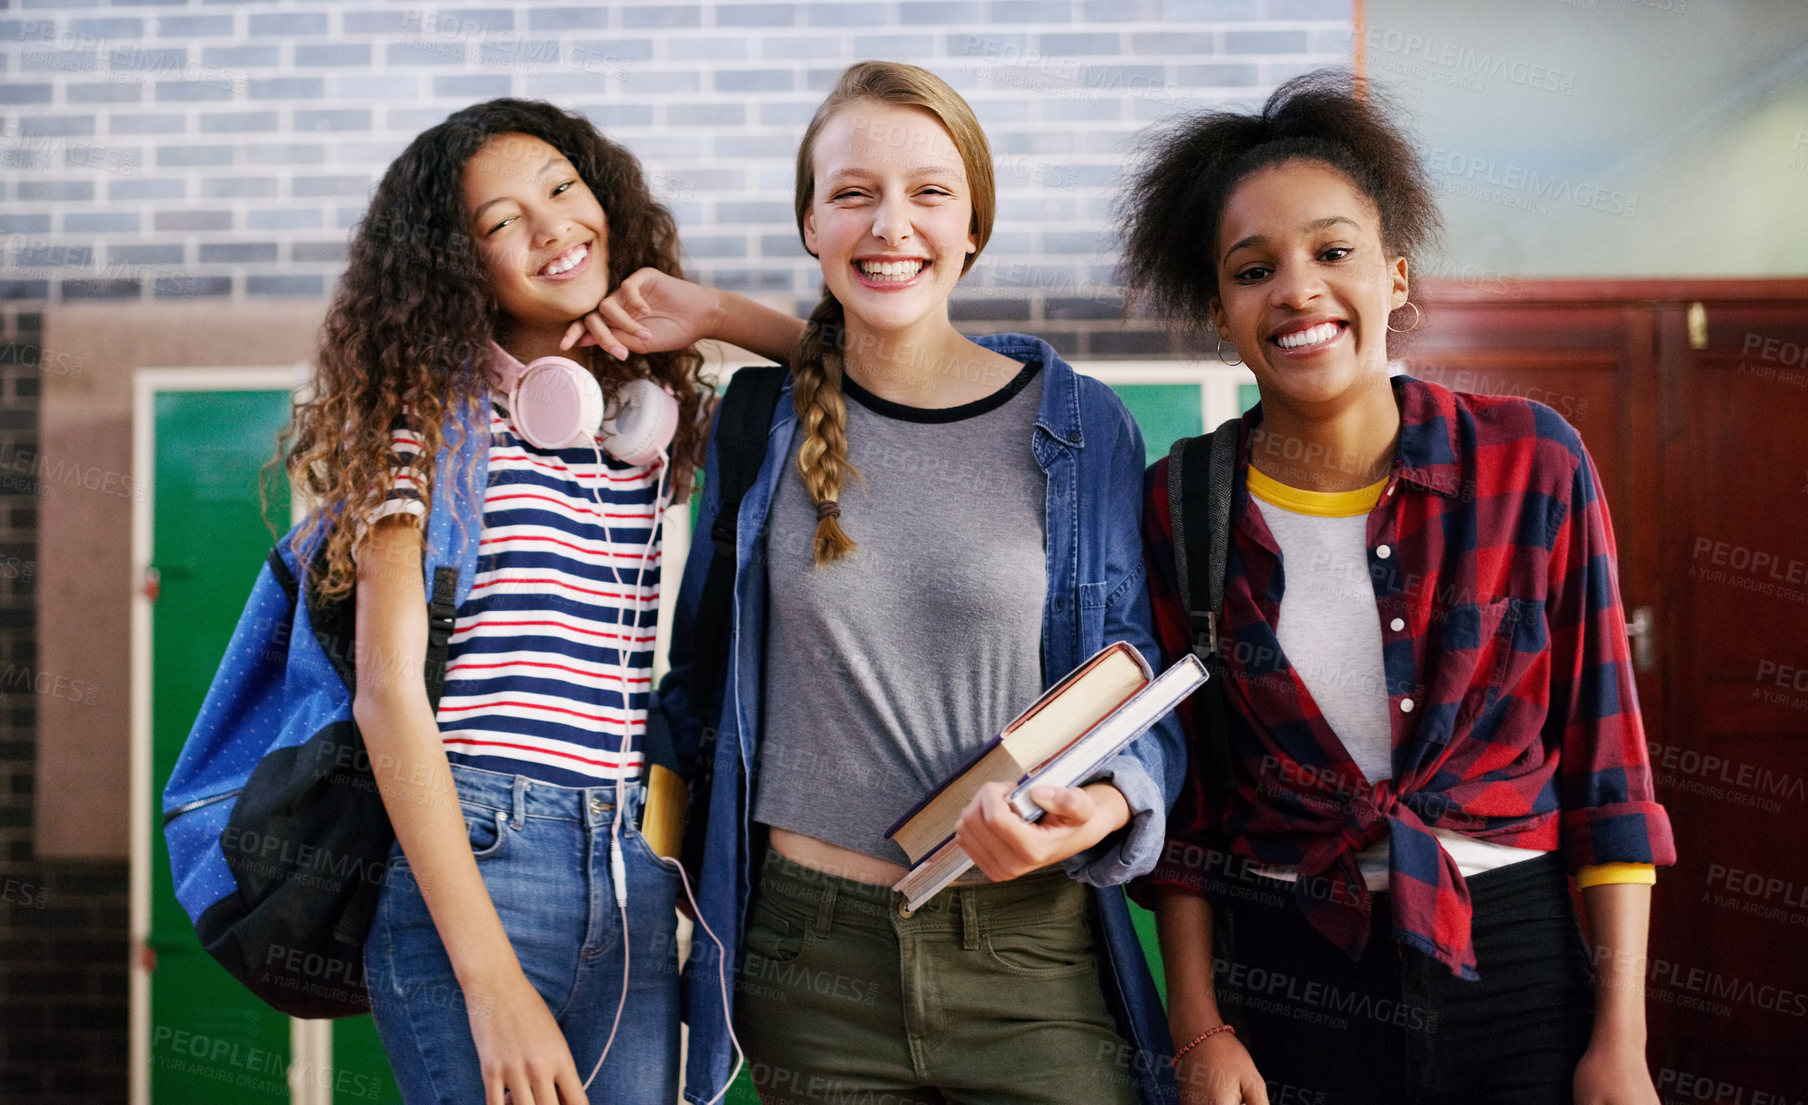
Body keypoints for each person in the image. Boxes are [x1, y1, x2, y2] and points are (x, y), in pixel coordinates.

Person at [1120, 72, 1676, 1105]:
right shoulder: (1178, 503)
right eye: (1253, 268)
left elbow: (1609, 775)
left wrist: (1620, 1041)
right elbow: (1187, 811)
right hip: (1288, 981)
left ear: (1394, 274)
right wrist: (1198, 1033)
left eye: (1332, 252)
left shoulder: (1531, 463)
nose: (1296, 289)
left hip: (1515, 968)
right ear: (1217, 308)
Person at [637, 61, 1184, 1105]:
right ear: (810, 224)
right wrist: (649, 894)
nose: (891, 223)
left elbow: (1134, 684)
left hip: (1028, 956)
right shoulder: (759, 429)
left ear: (972, 224)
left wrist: (1108, 807)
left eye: (928, 192)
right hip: (807, 959)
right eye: (852, 193)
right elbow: (691, 693)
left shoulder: (1077, 426)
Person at [282, 98, 798, 1105]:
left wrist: (715, 313)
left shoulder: (639, 426)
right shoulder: (429, 426)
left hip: (629, 866)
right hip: (480, 854)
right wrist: (489, 981)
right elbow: (390, 698)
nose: (552, 224)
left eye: (563, 188)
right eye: (499, 221)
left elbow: (867, 377)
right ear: (456, 268)